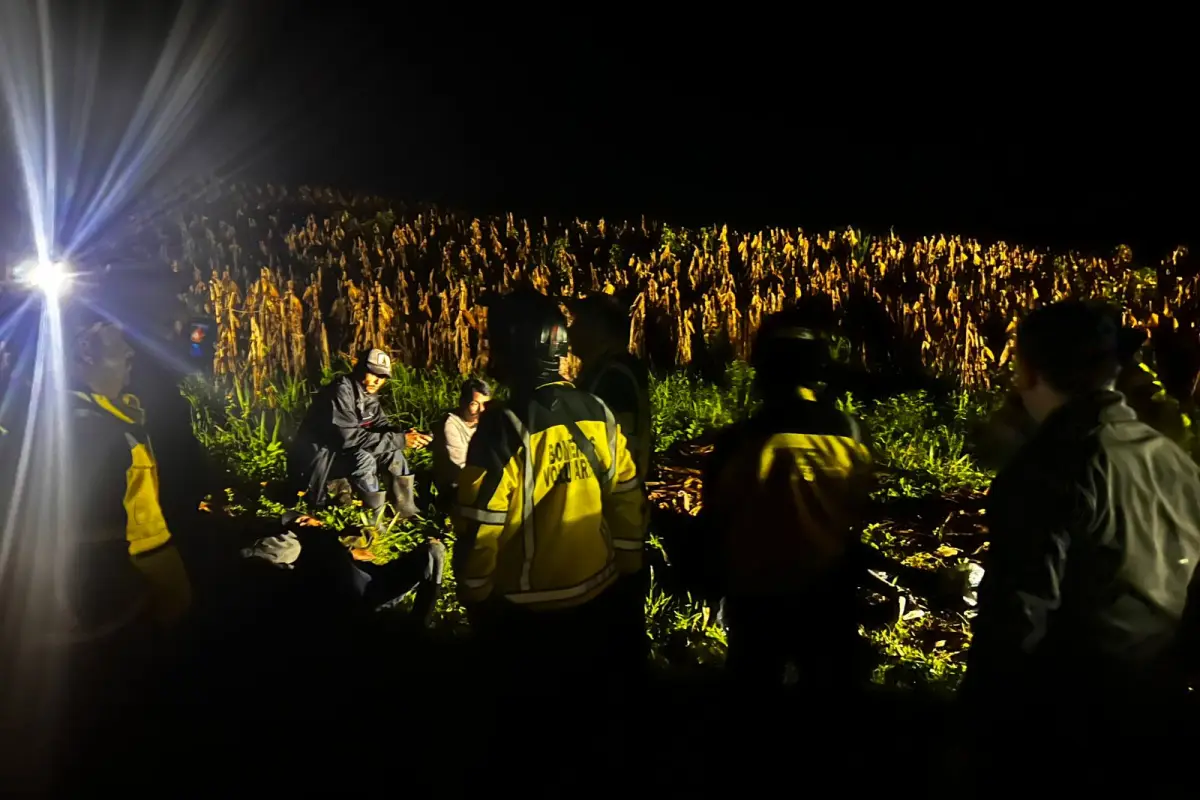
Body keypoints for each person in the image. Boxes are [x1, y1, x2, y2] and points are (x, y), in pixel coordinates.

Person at [959, 300, 1200, 784]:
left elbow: (1019, 615)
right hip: (1162, 715)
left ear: (1028, 371)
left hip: (1073, 729)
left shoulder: (1049, 467)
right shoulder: (1175, 463)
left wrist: (973, 735)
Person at [452, 288, 648, 698]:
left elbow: (481, 524)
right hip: (598, 600)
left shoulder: (503, 426)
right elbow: (627, 497)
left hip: (527, 616)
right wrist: (628, 571)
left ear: (508, 349)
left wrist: (475, 594)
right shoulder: (598, 411)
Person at [696, 310, 877, 691]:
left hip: (758, 596)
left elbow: (717, 517)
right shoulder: (850, 432)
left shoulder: (741, 440)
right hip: (830, 593)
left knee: (753, 693)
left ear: (764, 373)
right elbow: (858, 506)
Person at [566, 292, 654, 662]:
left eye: (578, 322)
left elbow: (611, 456)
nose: (571, 331)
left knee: (612, 626)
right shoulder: (608, 372)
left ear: (599, 329)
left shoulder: (613, 376)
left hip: (609, 520)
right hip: (611, 517)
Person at [289, 348, 431, 527]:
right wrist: (401, 440)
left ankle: (406, 513)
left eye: (383, 376)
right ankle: (375, 522)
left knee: (394, 452)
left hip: (341, 453)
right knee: (364, 458)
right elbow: (349, 440)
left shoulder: (368, 393)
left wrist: (404, 435)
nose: (378, 380)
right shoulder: (341, 391)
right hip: (318, 462)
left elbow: (379, 425)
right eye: (373, 373)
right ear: (359, 368)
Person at [430, 378, 491, 510]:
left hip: (480, 478)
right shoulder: (451, 424)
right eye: (474, 404)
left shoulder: (487, 421)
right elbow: (461, 465)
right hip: (456, 484)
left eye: (485, 404)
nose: (481, 409)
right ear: (463, 402)